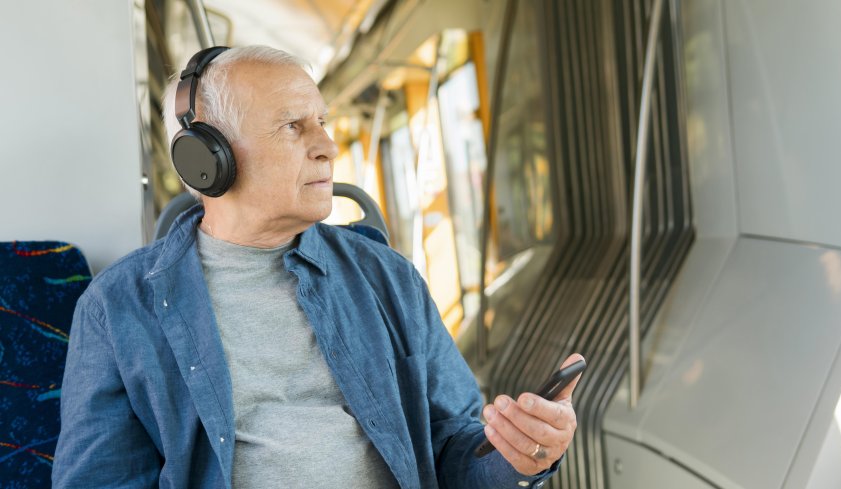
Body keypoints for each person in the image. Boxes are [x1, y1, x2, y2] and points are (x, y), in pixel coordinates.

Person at [53, 45, 582, 488]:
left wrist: (517, 457)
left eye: (323, 122)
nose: (327, 146)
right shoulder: (118, 308)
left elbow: (453, 448)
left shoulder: (386, 278)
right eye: (293, 126)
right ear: (207, 156)